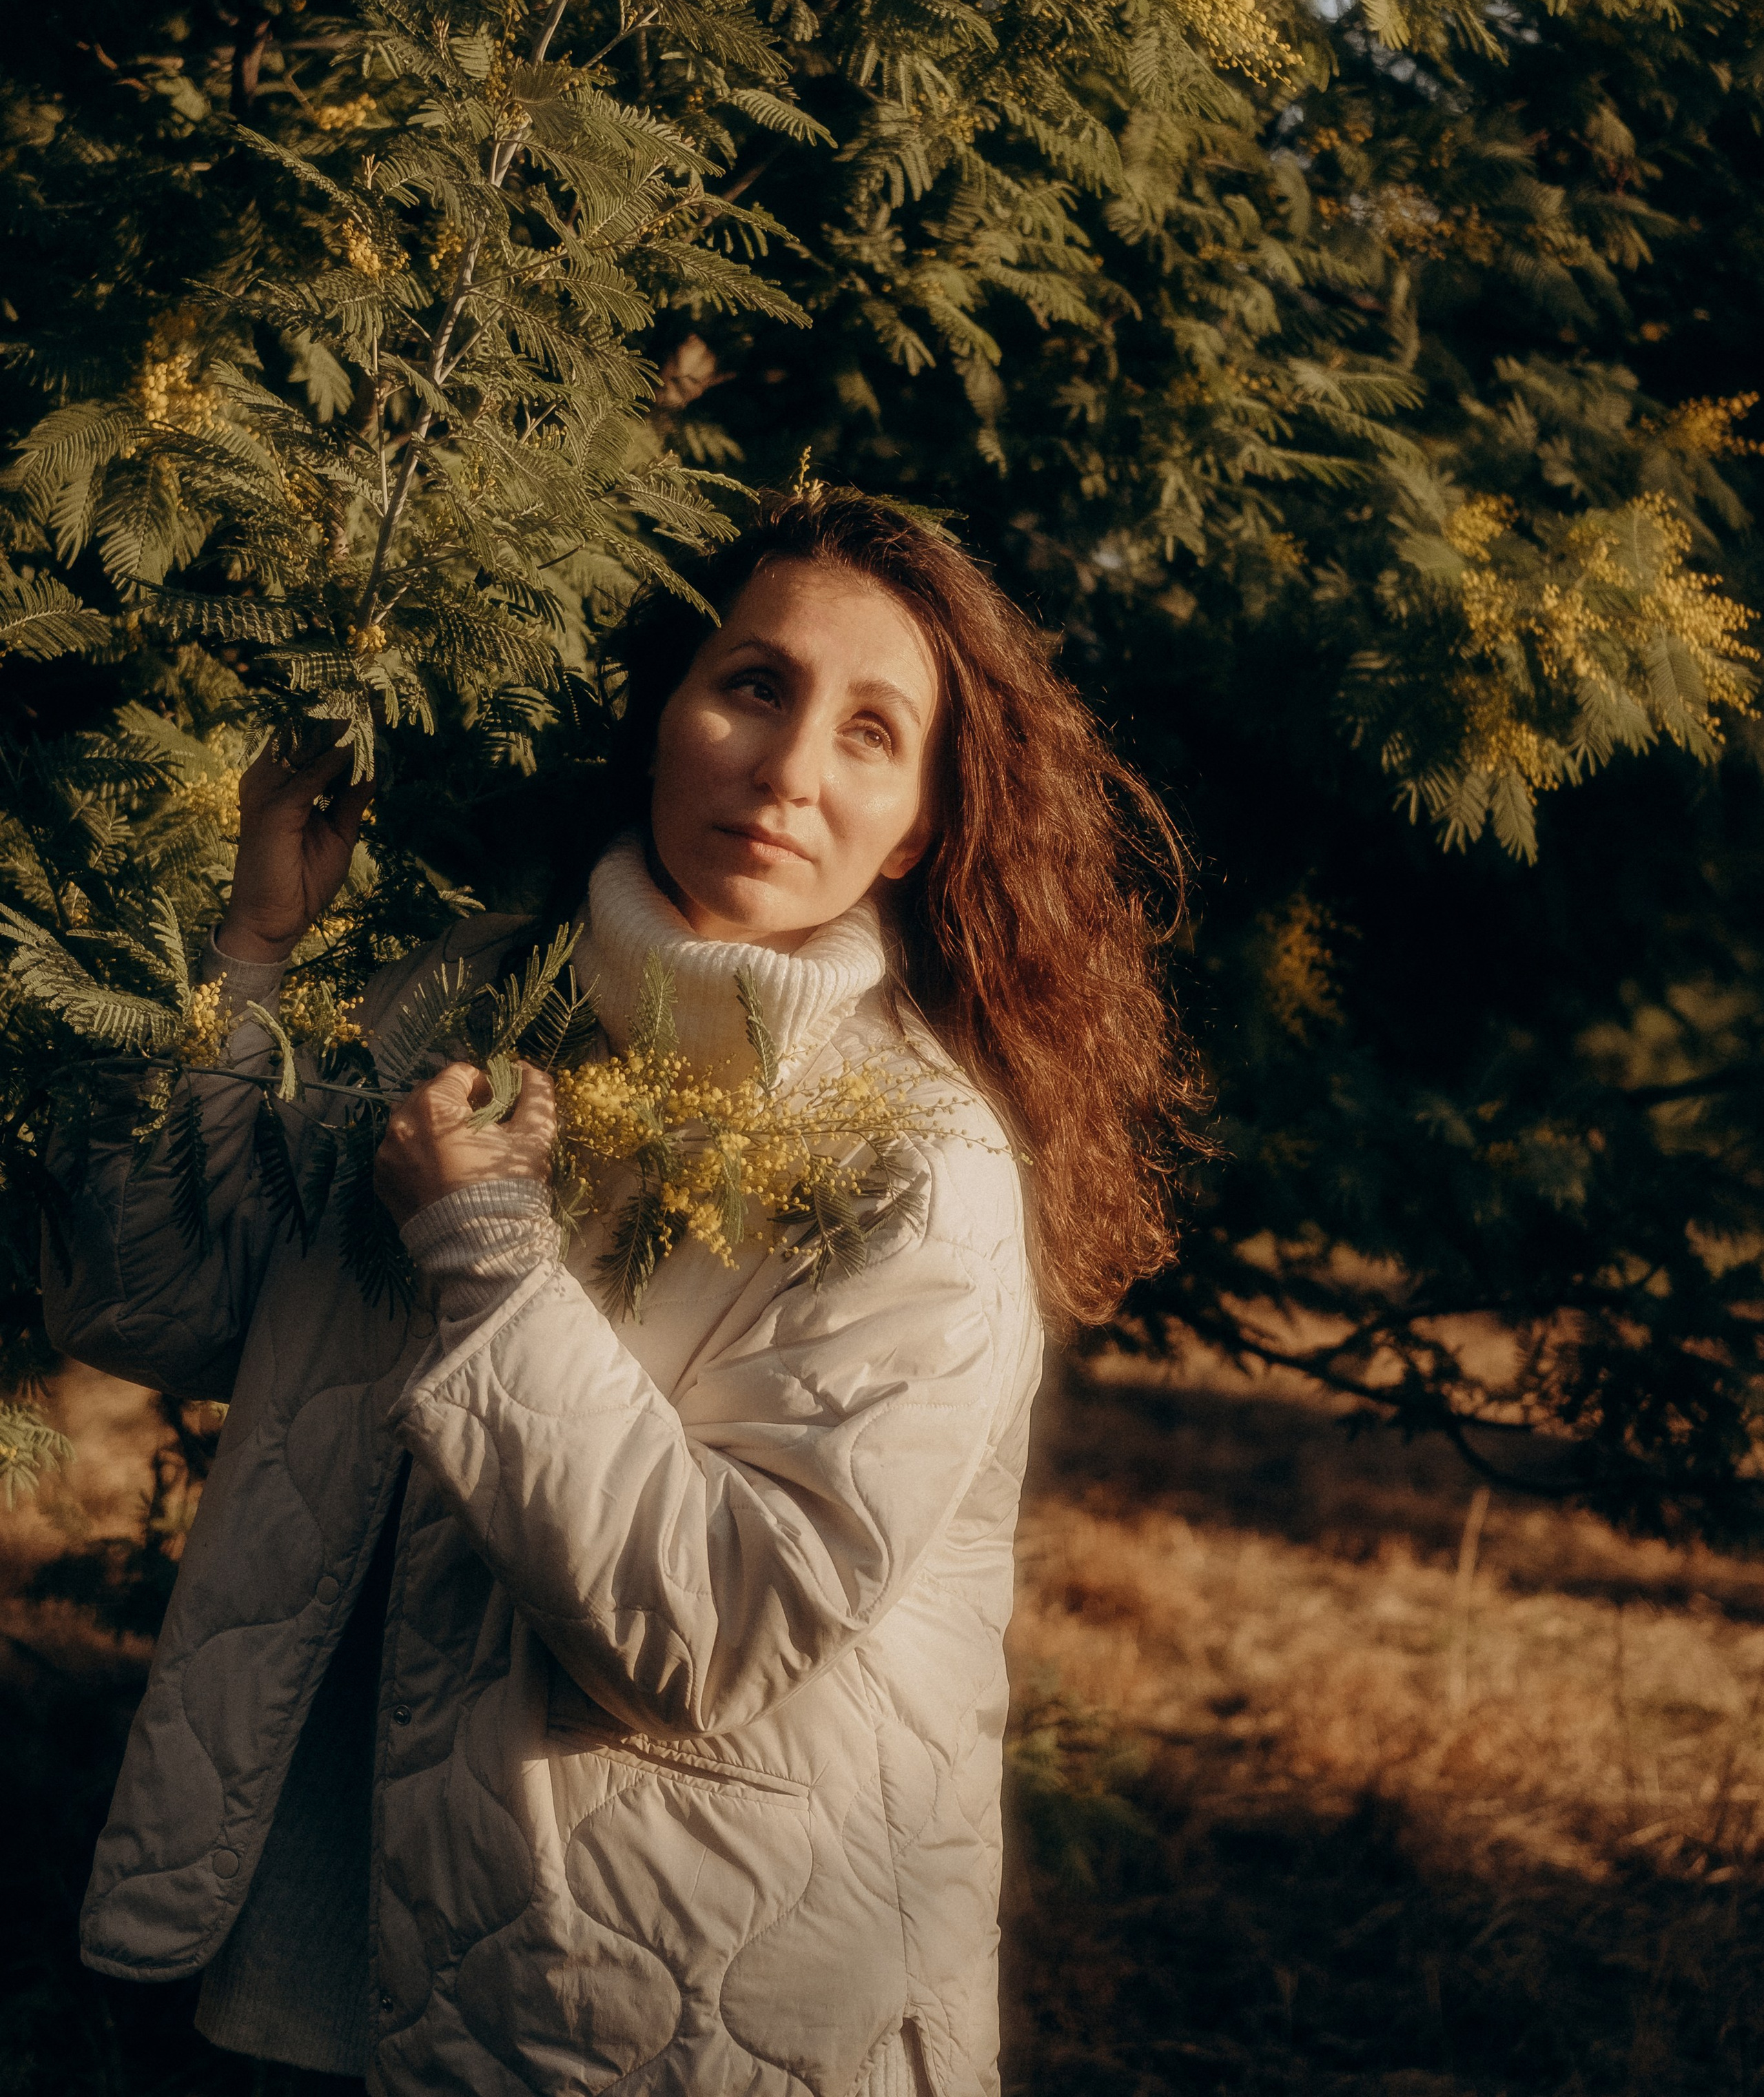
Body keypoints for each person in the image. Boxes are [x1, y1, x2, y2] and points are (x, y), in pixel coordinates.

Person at [43, 487, 1190, 2097]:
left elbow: (708, 1628)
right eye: (752, 685)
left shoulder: (926, 1170)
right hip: (294, 1967)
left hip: (647, 2016)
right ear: (666, 713)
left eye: (871, 733)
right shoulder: (456, 998)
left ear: (919, 823)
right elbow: (146, 1306)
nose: (790, 767)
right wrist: (251, 957)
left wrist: (493, 1260)